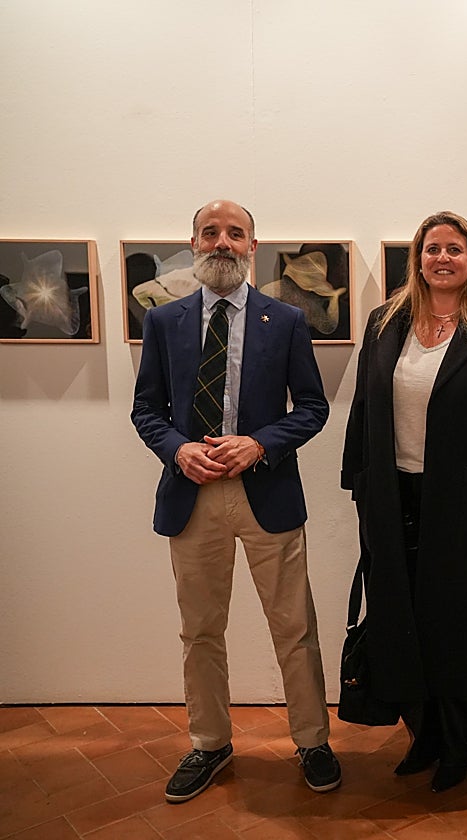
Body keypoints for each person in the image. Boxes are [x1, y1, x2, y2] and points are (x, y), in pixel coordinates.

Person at [131, 200, 339, 803]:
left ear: (253, 245)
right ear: (193, 242)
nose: (222, 242)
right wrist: (176, 450)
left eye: (235, 233)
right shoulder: (165, 321)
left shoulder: (287, 320)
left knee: (293, 628)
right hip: (191, 498)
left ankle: (312, 741)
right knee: (200, 631)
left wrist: (259, 443)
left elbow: (313, 408)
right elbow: (146, 410)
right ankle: (210, 743)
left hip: (265, 494)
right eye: (210, 232)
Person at [341, 211, 467, 793]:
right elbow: (363, 410)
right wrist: (359, 487)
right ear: (417, 258)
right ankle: (422, 733)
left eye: (455, 249)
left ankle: (463, 743)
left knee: (461, 623)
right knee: (402, 618)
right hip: (392, 493)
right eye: (432, 249)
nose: (442, 258)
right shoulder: (385, 321)